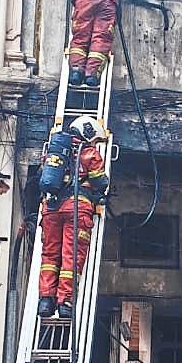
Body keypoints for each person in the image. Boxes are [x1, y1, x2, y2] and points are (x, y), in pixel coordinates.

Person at [38, 116, 109, 319]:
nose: (95, 143)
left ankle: (46, 300)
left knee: (50, 256)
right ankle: (65, 302)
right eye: (95, 139)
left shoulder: (53, 153)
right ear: (88, 134)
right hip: (77, 209)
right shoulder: (89, 153)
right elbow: (100, 182)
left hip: (51, 208)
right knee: (72, 256)